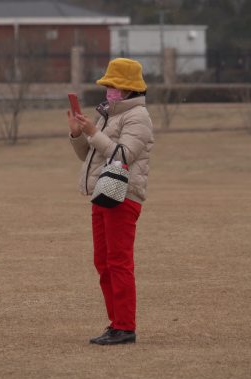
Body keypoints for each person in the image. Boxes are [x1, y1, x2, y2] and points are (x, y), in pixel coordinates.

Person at [67, 58, 154, 345]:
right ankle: (116, 324)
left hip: (123, 195)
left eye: (113, 85)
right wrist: (78, 135)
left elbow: (122, 156)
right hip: (102, 194)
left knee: (118, 261)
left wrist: (94, 132)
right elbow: (89, 156)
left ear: (128, 88)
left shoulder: (138, 116)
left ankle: (125, 327)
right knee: (103, 262)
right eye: (107, 85)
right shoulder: (109, 114)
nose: (109, 90)